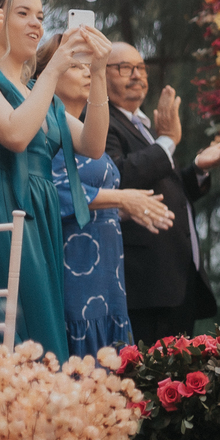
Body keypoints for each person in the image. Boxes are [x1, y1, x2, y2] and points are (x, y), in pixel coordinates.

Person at [0, 0, 112, 361]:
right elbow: (15, 134)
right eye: (23, 14)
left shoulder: (39, 92)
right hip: (1, 205)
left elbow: (93, 145)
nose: (37, 24)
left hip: (42, 215)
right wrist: (55, 69)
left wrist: (99, 72)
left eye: (40, 15)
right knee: (12, 331)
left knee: (44, 327)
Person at [36, 35, 175, 358]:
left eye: (90, 66)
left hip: (107, 272)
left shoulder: (89, 129)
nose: (88, 72)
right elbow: (53, 189)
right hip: (74, 263)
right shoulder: (43, 125)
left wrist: (127, 208)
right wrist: (121, 199)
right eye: (76, 66)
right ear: (47, 74)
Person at [104, 41, 219, 345]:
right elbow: (117, 177)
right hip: (145, 284)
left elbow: (166, 193)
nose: (136, 75)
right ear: (100, 74)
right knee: (146, 371)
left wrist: (198, 168)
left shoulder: (143, 125)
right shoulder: (101, 121)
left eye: (141, 67)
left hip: (177, 278)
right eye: (124, 67)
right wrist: (167, 141)